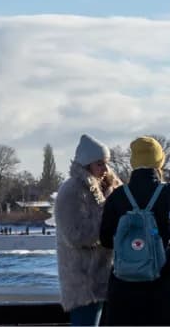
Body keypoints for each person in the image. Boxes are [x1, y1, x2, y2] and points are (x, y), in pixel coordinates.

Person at [99, 137, 170, 326]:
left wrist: (133, 249)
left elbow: (106, 239)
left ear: (133, 162)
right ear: (159, 160)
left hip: (124, 289)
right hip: (166, 289)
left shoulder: (118, 196)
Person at [54, 134, 123, 325]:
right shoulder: (71, 191)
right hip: (84, 283)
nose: (105, 169)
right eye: (100, 164)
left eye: (106, 163)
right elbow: (76, 235)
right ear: (87, 164)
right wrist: (109, 218)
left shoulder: (111, 188)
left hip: (109, 278)